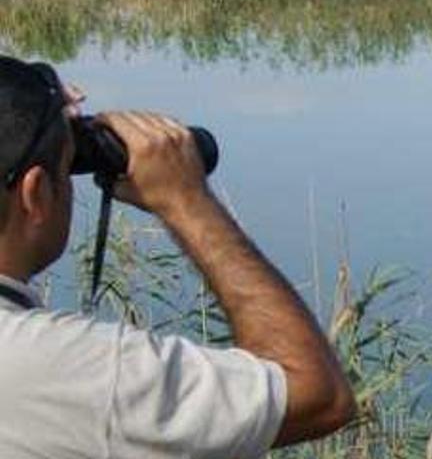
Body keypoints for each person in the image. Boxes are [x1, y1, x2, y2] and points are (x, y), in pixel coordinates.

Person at [0, 56, 356, 458]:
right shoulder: (63, 370)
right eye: (67, 169)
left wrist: (19, 94)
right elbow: (318, 394)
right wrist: (186, 199)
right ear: (36, 193)